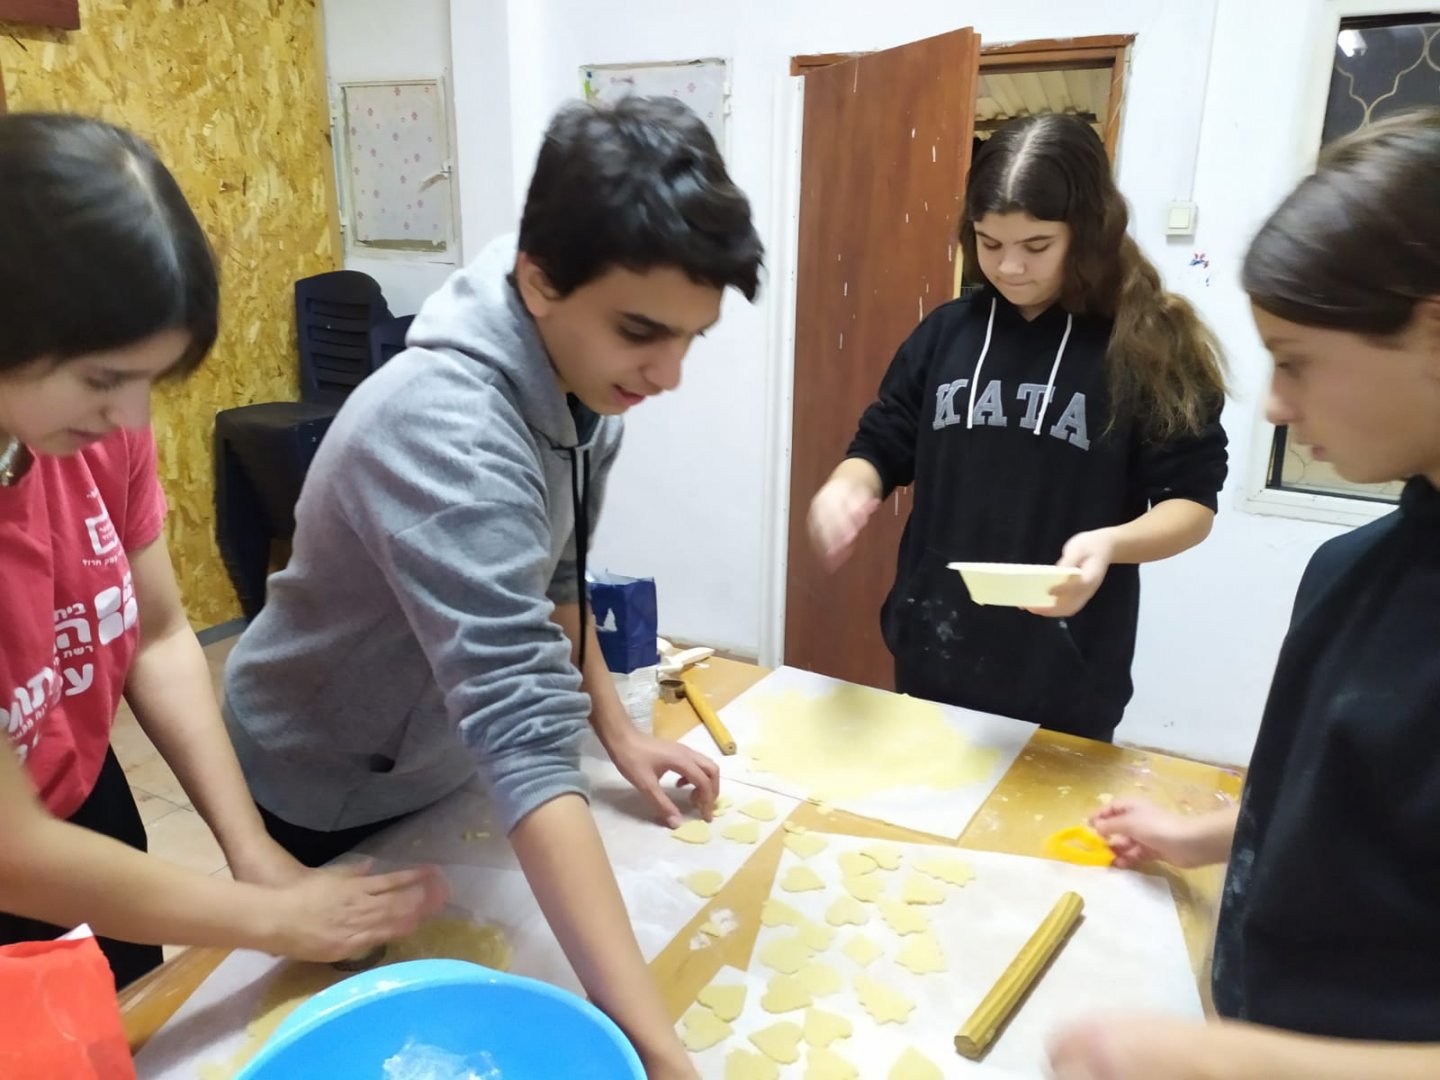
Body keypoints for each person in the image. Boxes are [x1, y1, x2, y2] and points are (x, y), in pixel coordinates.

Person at [223, 95, 763, 1078]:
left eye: (692, 337)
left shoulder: (585, 383)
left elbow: (557, 575)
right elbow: (518, 724)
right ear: (539, 277)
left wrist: (617, 731)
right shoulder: (445, 435)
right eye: (644, 331)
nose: (669, 374)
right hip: (325, 774)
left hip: (436, 757)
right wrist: (659, 1051)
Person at [0, 113, 446, 988]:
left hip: (73, 790)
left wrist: (252, 852)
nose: (129, 419)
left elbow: (158, 635)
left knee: (132, 1011)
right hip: (20, 849)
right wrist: (273, 918)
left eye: (148, 383)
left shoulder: (89, 431)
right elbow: (15, 854)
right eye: (103, 380)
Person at [1049, 109, 1440, 1079]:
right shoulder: (1352, 572)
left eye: (1297, 360)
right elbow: (1339, 807)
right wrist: (1201, 837)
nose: (1273, 402)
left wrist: (1228, 1065)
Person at [808, 113, 1229, 742]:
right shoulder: (947, 333)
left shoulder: (1149, 346)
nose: (1008, 268)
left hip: (1068, 670)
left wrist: (1109, 545)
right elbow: (883, 439)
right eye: (988, 242)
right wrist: (849, 485)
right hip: (934, 647)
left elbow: (1191, 504)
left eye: (1036, 246)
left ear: (1088, 232)